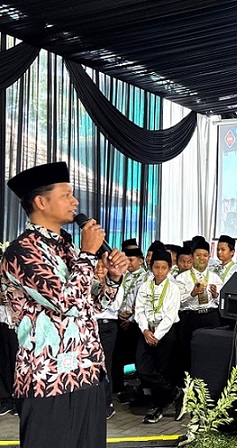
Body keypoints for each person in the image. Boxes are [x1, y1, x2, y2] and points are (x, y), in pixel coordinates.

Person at [0, 161, 129, 448]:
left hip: (87, 373)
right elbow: (64, 302)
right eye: (66, 195)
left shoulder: (67, 246)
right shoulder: (22, 251)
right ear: (40, 202)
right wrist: (87, 254)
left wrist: (113, 278)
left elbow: (90, 306)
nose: (75, 202)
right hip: (49, 379)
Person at [134, 250, 183, 424]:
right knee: (143, 368)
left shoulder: (173, 288)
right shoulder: (145, 287)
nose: (160, 271)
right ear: (151, 267)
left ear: (169, 268)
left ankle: (157, 407)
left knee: (162, 369)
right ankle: (175, 393)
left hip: (165, 332)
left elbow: (170, 316)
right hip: (147, 330)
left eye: (163, 268)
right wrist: (145, 330)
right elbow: (139, 310)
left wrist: (157, 335)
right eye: (156, 267)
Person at [176, 239, 223, 374]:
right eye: (198, 255)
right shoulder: (182, 278)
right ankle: (189, 383)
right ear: (191, 257)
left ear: (209, 257)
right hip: (190, 318)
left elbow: (222, 301)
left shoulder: (215, 278)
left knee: (211, 352)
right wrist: (192, 294)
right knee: (188, 353)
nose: (202, 258)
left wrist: (216, 295)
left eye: (205, 255)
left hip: (211, 317)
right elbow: (178, 302)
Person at [113, 247, 147, 400]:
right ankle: (118, 385)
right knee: (117, 355)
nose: (128, 263)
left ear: (140, 261)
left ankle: (140, 388)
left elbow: (141, 302)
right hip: (118, 317)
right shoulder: (122, 275)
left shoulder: (145, 278)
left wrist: (131, 319)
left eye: (131, 260)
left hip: (134, 322)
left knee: (135, 355)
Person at [92, 260, 122, 419]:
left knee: (104, 365)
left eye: (103, 267)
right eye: (96, 266)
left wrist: (105, 289)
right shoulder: (88, 282)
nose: (99, 270)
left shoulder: (116, 283)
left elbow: (114, 306)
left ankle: (107, 403)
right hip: (90, 326)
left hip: (107, 326)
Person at [0, 256, 18, 416]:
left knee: (16, 362)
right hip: (3, 323)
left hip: (18, 326)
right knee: (4, 363)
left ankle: (18, 400)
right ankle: (6, 399)